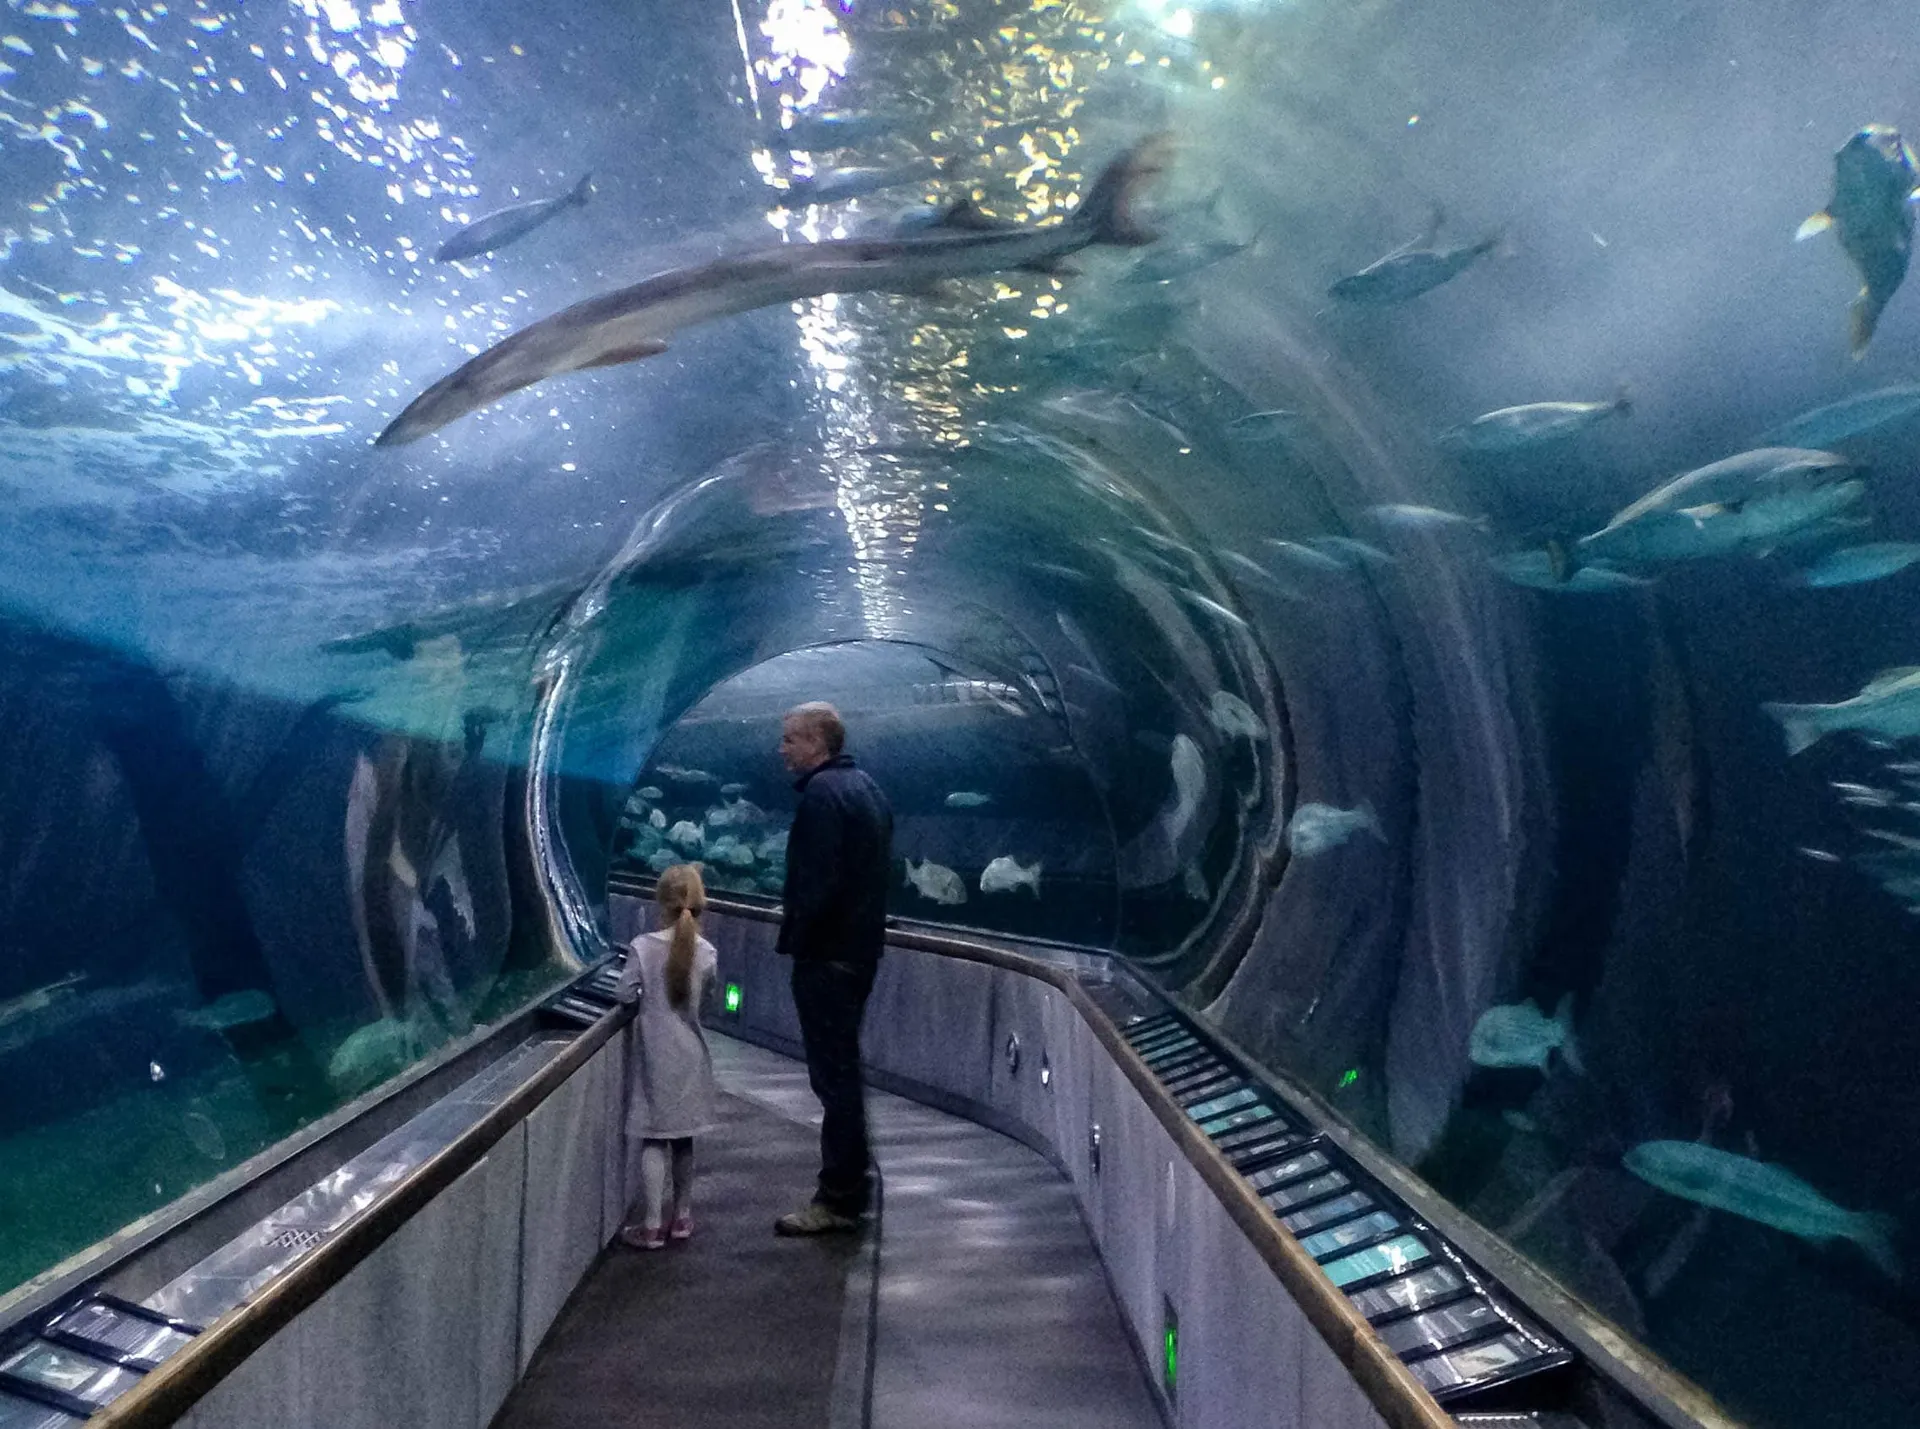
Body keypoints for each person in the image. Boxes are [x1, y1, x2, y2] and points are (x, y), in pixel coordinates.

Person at [773, 701, 894, 1236]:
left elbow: (816, 883)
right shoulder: (867, 789)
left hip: (827, 956)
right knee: (844, 1074)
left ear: (819, 744)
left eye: (791, 739)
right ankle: (852, 1188)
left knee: (834, 1079)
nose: (783, 749)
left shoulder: (822, 797)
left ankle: (839, 1199)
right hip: (860, 952)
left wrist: (797, 935)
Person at [614, 863, 719, 1250]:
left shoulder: (643, 947)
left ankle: (652, 1224)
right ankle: (683, 1216)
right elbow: (706, 1003)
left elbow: (624, 994)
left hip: (654, 1051)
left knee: (654, 1138)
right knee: (684, 1137)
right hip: (691, 1053)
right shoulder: (706, 953)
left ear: (660, 902)